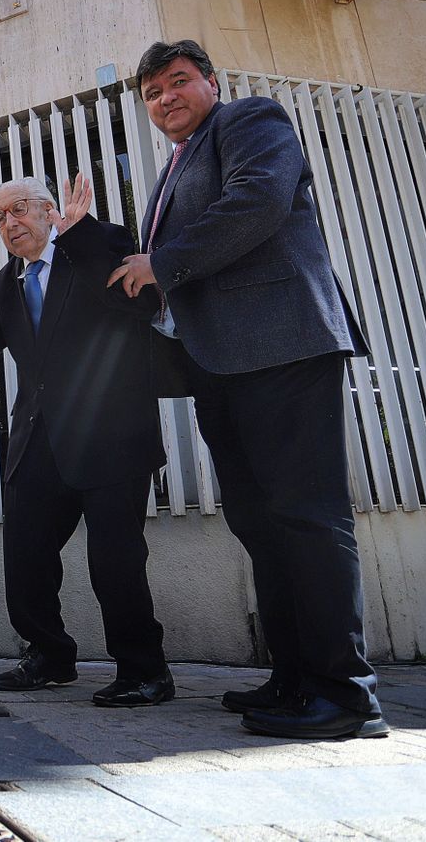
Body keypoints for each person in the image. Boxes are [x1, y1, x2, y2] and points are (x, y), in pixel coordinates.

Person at [109, 39, 384, 740]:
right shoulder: (176, 164)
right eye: (152, 93)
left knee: (308, 516)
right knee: (260, 524)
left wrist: (161, 261)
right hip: (222, 364)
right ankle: (294, 677)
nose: (166, 98)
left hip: (283, 344)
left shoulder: (250, 120)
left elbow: (257, 201)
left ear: (210, 82)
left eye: (178, 82)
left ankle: (345, 694)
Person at [0, 176, 174, 706]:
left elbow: (141, 306)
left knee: (115, 559)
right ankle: (49, 655)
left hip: (111, 436)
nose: (10, 224)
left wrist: (82, 238)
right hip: (39, 441)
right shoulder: (10, 279)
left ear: (50, 211)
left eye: (20, 210)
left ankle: (144, 670)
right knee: (26, 553)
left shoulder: (100, 244)